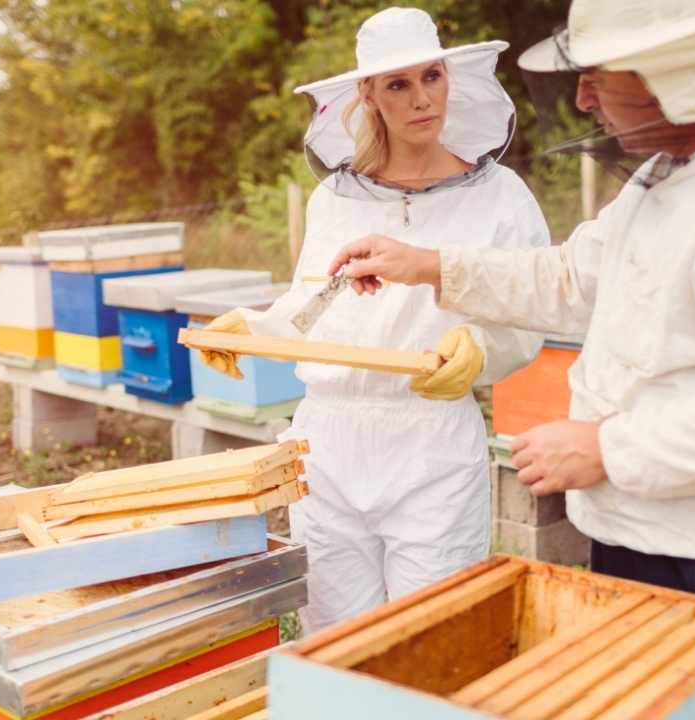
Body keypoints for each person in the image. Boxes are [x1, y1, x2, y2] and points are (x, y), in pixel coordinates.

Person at [327, 2, 695, 717]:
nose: (584, 97)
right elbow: (572, 277)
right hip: (661, 531)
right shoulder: (684, 165)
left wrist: (604, 447)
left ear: (676, 72)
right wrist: (428, 263)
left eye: (596, 75)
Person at [196, 7, 547, 634]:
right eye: (398, 84)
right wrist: (256, 328)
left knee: (434, 640)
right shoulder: (335, 198)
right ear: (368, 96)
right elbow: (313, 307)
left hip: (430, 442)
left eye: (431, 77)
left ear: (450, 78)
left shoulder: (501, 196)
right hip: (327, 441)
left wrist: (483, 351)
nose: (421, 99)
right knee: (337, 641)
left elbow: (526, 311)